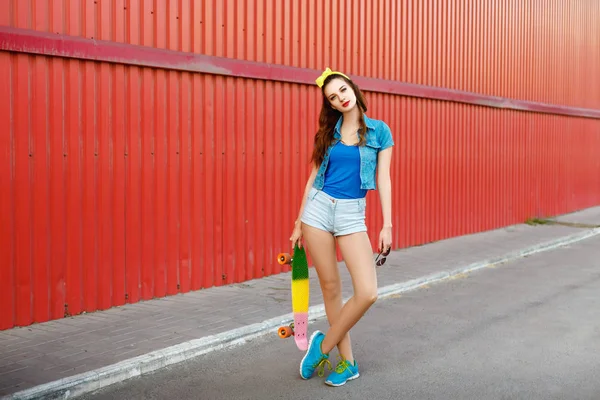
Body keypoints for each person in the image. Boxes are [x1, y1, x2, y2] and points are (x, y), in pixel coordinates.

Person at [289, 67, 394, 387]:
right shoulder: (329, 132)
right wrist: (298, 221)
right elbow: (314, 177)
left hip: (351, 215)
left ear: (353, 89)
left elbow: (383, 178)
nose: (340, 98)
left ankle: (321, 347)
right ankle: (347, 363)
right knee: (331, 289)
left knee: (367, 292)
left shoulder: (379, 132)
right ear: (331, 105)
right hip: (318, 212)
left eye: (342, 91)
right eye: (333, 97)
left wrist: (387, 224)